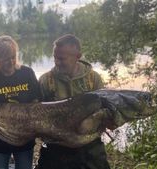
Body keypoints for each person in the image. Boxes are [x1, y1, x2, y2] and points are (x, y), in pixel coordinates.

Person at [35, 34, 110, 169]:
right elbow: (35, 113)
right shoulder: (45, 80)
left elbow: (105, 111)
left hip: (89, 146)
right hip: (55, 146)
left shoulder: (93, 79)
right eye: (55, 58)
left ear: (78, 56)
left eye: (62, 59)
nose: (57, 62)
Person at [0, 35, 40, 169]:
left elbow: (36, 102)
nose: (11, 61)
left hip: (24, 139)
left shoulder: (27, 73)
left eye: (13, 56)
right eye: (6, 58)